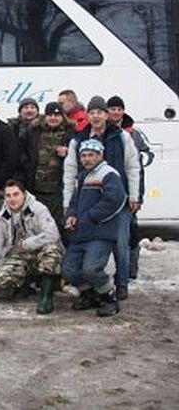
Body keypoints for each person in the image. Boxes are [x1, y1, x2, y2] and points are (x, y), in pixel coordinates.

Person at [62, 96, 140, 300]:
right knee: (88, 249)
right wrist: (67, 203)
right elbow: (69, 172)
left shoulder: (121, 136)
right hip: (87, 199)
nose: (96, 115)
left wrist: (134, 194)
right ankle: (93, 290)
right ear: (87, 115)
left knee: (121, 244)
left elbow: (132, 167)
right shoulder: (77, 138)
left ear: (106, 115)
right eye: (92, 112)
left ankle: (121, 284)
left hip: (117, 199)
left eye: (100, 112)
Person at [0, 180, 64, 315]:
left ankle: (46, 296)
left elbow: (53, 234)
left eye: (16, 194)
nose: (12, 199)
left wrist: (28, 243)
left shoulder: (38, 209)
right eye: (8, 195)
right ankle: (26, 284)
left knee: (51, 251)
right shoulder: (2, 218)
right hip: (21, 255)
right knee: (0, 280)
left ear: (24, 194)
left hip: (43, 249)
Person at [63, 139, 127, 317]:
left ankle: (109, 298)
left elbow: (114, 200)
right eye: (83, 155)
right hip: (81, 232)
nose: (87, 159)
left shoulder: (109, 174)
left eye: (91, 155)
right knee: (69, 269)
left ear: (100, 155)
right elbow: (74, 201)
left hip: (100, 232)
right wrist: (71, 216)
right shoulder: (82, 176)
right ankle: (89, 295)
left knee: (91, 269)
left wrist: (90, 216)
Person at [107, 95, 153, 280]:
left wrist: (138, 196)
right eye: (112, 109)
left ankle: (130, 270)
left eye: (119, 109)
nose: (116, 112)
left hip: (129, 191)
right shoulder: (104, 132)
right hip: (111, 192)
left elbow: (147, 155)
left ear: (123, 111)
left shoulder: (133, 133)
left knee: (131, 233)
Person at [22, 102, 73, 240]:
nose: (53, 118)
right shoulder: (34, 131)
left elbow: (82, 155)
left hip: (58, 191)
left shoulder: (71, 132)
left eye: (57, 115)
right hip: (36, 189)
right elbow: (24, 153)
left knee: (59, 227)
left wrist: (69, 152)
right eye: (50, 114)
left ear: (62, 116)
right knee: (36, 227)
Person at [7, 97, 42, 181]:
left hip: (39, 172)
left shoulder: (43, 126)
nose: (29, 110)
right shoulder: (12, 127)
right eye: (26, 108)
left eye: (32, 107)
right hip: (17, 172)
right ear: (20, 111)